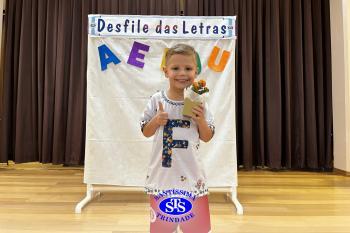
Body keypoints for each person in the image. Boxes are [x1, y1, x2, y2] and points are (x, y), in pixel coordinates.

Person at [140, 44, 215, 233]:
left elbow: (207, 137)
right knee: (163, 228)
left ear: (196, 71)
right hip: (163, 177)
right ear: (165, 71)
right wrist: (156, 121)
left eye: (188, 68)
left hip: (192, 177)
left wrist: (200, 120)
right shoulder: (157, 100)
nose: (182, 73)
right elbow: (146, 132)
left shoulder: (199, 102)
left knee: (197, 228)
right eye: (175, 68)